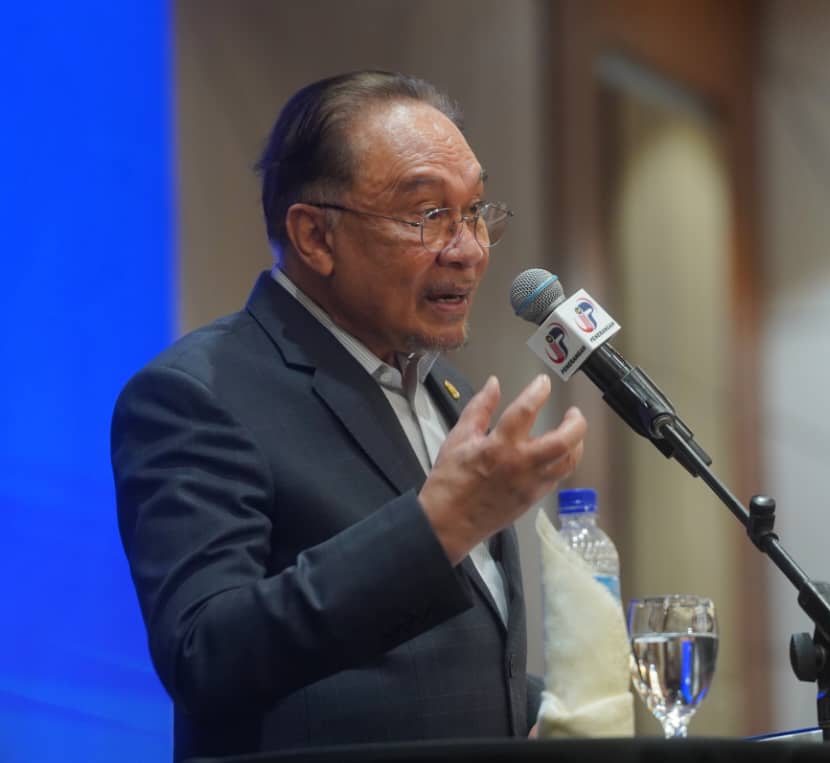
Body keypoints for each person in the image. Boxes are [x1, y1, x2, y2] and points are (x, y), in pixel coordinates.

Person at [111, 71, 587, 761]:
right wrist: (437, 528)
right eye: (429, 214)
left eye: (476, 211)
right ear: (315, 236)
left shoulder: (441, 390)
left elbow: (428, 666)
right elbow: (204, 653)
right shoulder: (197, 395)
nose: (468, 248)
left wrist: (553, 710)